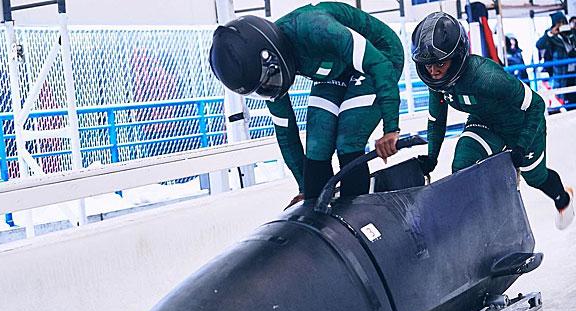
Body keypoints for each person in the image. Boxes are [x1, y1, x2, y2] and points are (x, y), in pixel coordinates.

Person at [209, 2, 404, 207]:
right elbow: (286, 132)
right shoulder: (267, 71)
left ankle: (356, 211)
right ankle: (320, 211)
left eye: (268, 81)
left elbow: (379, 65)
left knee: (348, 139)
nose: (269, 88)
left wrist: (391, 128)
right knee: (317, 145)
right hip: (333, 68)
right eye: (260, 88)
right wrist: (306, 188)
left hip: (379, 56)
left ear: (270, 55)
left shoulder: (317, 29)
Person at [411, 12, 574, 229]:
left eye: (440, 62)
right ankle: (477, 228)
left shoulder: (487, 77)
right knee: (462, 165)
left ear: (457, 55)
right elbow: (437, 120)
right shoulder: (436, 82)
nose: (433, 70)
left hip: (520, 125)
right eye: (428, 64)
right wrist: (432, 157)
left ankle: (563, 198)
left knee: (535, 177)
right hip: (484, 123)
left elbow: (536, 104)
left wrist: (521, 144)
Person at [536, 11, 576, 105]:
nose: (561, 25)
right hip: (561, 72)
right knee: (562, 97)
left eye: (563, 22)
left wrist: (572, 31)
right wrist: (550, 33)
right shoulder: (550, 36)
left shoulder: (570, 34)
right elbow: (539, 45)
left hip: (573, 72)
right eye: (559, 23)